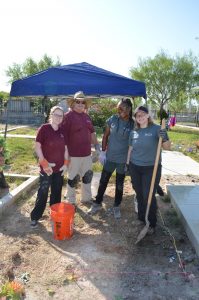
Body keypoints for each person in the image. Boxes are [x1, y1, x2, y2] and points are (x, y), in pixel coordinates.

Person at [126, 106, 171, 233]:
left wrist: (165, 137)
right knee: (139, 193)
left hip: (151, 168)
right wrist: (127, 165)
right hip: (135, 167)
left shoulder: (157, 129)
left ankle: (151, 223)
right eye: (137, 115)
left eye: (142, 114)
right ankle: (141, 218)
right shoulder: (133, 132)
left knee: (148, 195)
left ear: (148, 115)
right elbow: (130, 149)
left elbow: (167, 147)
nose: (139, 117)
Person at [88, 98, 134, 219]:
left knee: (119, 184)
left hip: (122, 160)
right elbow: (105, 136)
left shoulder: (133, 124)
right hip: (110, 157)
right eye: (118, 108)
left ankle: (116, 206)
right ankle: (97, 203)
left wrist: (130, 161)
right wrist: (103, 152)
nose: (118, 110)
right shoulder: (113, 119)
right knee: (103, 181)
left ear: (128, 109)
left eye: (122, 108)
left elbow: (134, 142)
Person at [30, 106, 69, 228]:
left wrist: (66, 163)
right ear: (51, 115)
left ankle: (55, 216)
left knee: (57, 193)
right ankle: (35, 217)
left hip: (59, 169)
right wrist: (44, 163)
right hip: (46, 168)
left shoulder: (63, 131)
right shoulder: (44, 129)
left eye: (60, 115)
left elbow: (66, 149)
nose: (58, 117)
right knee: (43, 193)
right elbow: (37, 147)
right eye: (56, 114)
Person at [61, 91, 100, 205]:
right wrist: (66, 154)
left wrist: (97, 147)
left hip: (87, 154)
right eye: (78, 102)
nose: (80, 104)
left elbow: (92, 133)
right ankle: (71, 200)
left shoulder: (87, 116)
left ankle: (86, 198)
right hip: (73, 155)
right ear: (73, 103)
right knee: (73, 178)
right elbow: (63, 136)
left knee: (87, 176)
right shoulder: (67, 117)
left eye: (83, 102)